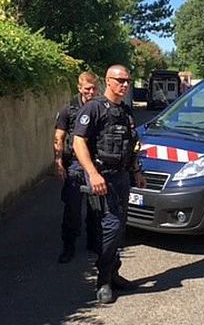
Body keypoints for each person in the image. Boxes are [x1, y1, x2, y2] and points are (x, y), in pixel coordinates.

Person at [73, 64, 146, 304]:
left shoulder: (125, 111)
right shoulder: (94, 108)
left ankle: (114, 274)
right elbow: (78, 143)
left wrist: (136, 171)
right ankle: (102, 280)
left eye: (127, 81)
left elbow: (131, 144)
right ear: (108, 81)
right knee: (111, 226)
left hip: (122, 176)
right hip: (102, 177)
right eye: (120, 80)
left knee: (121, 226)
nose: (125, 85)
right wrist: (93, 174)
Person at [54, 71, 99, 263]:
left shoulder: (100, 107)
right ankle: (68, 246)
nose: (91, 92)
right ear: (79, 88)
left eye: (95, 88)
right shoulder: (68, 110)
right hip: (74, 164)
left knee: (95, 208)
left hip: (95, 163)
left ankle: (93, 243)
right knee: (72, 208)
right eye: (88, 89)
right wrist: (58, 162)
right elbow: (59, 137)